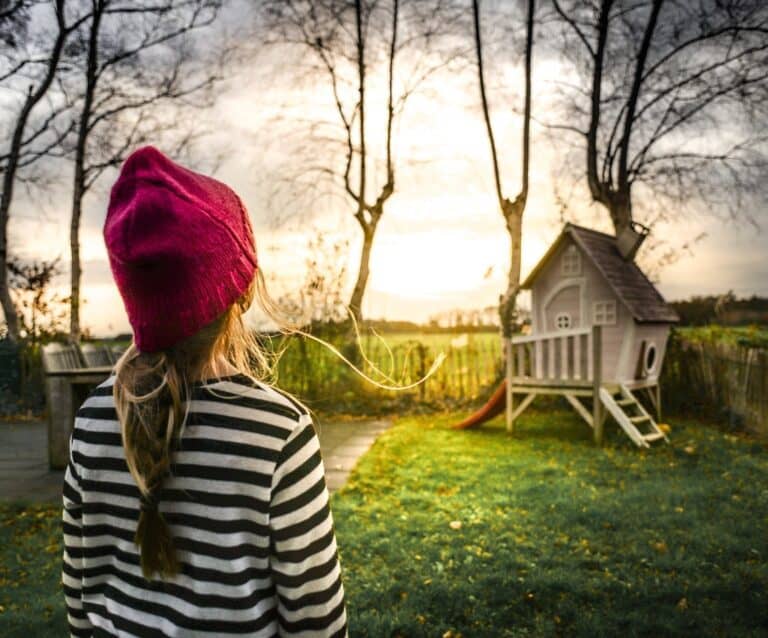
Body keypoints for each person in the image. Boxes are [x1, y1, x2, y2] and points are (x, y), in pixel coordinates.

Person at [61, 146, 348, 637]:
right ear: (242, 288)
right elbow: (316, 620)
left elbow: (81, 598)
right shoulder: (278, 433)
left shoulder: (92, 419)